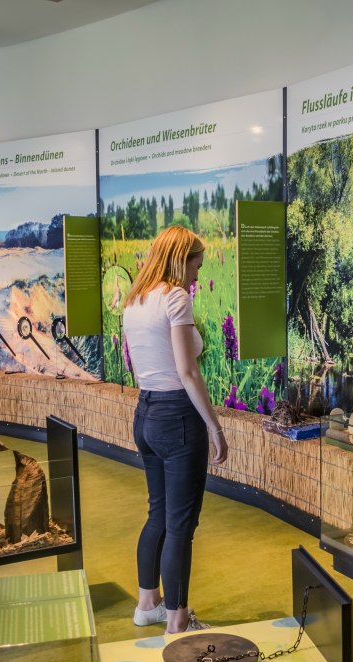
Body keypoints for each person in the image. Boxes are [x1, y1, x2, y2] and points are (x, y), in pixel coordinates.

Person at [122, 225, 228, 634]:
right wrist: (215, 428)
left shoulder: (135, 300)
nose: (198, 276)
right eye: (196, 266)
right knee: (181, 526)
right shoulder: (175, 298)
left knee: (159, 515)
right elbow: (188, 371)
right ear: (180, 258)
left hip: (145, 413)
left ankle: (148, 603)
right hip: (178, 418)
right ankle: (177, 622)